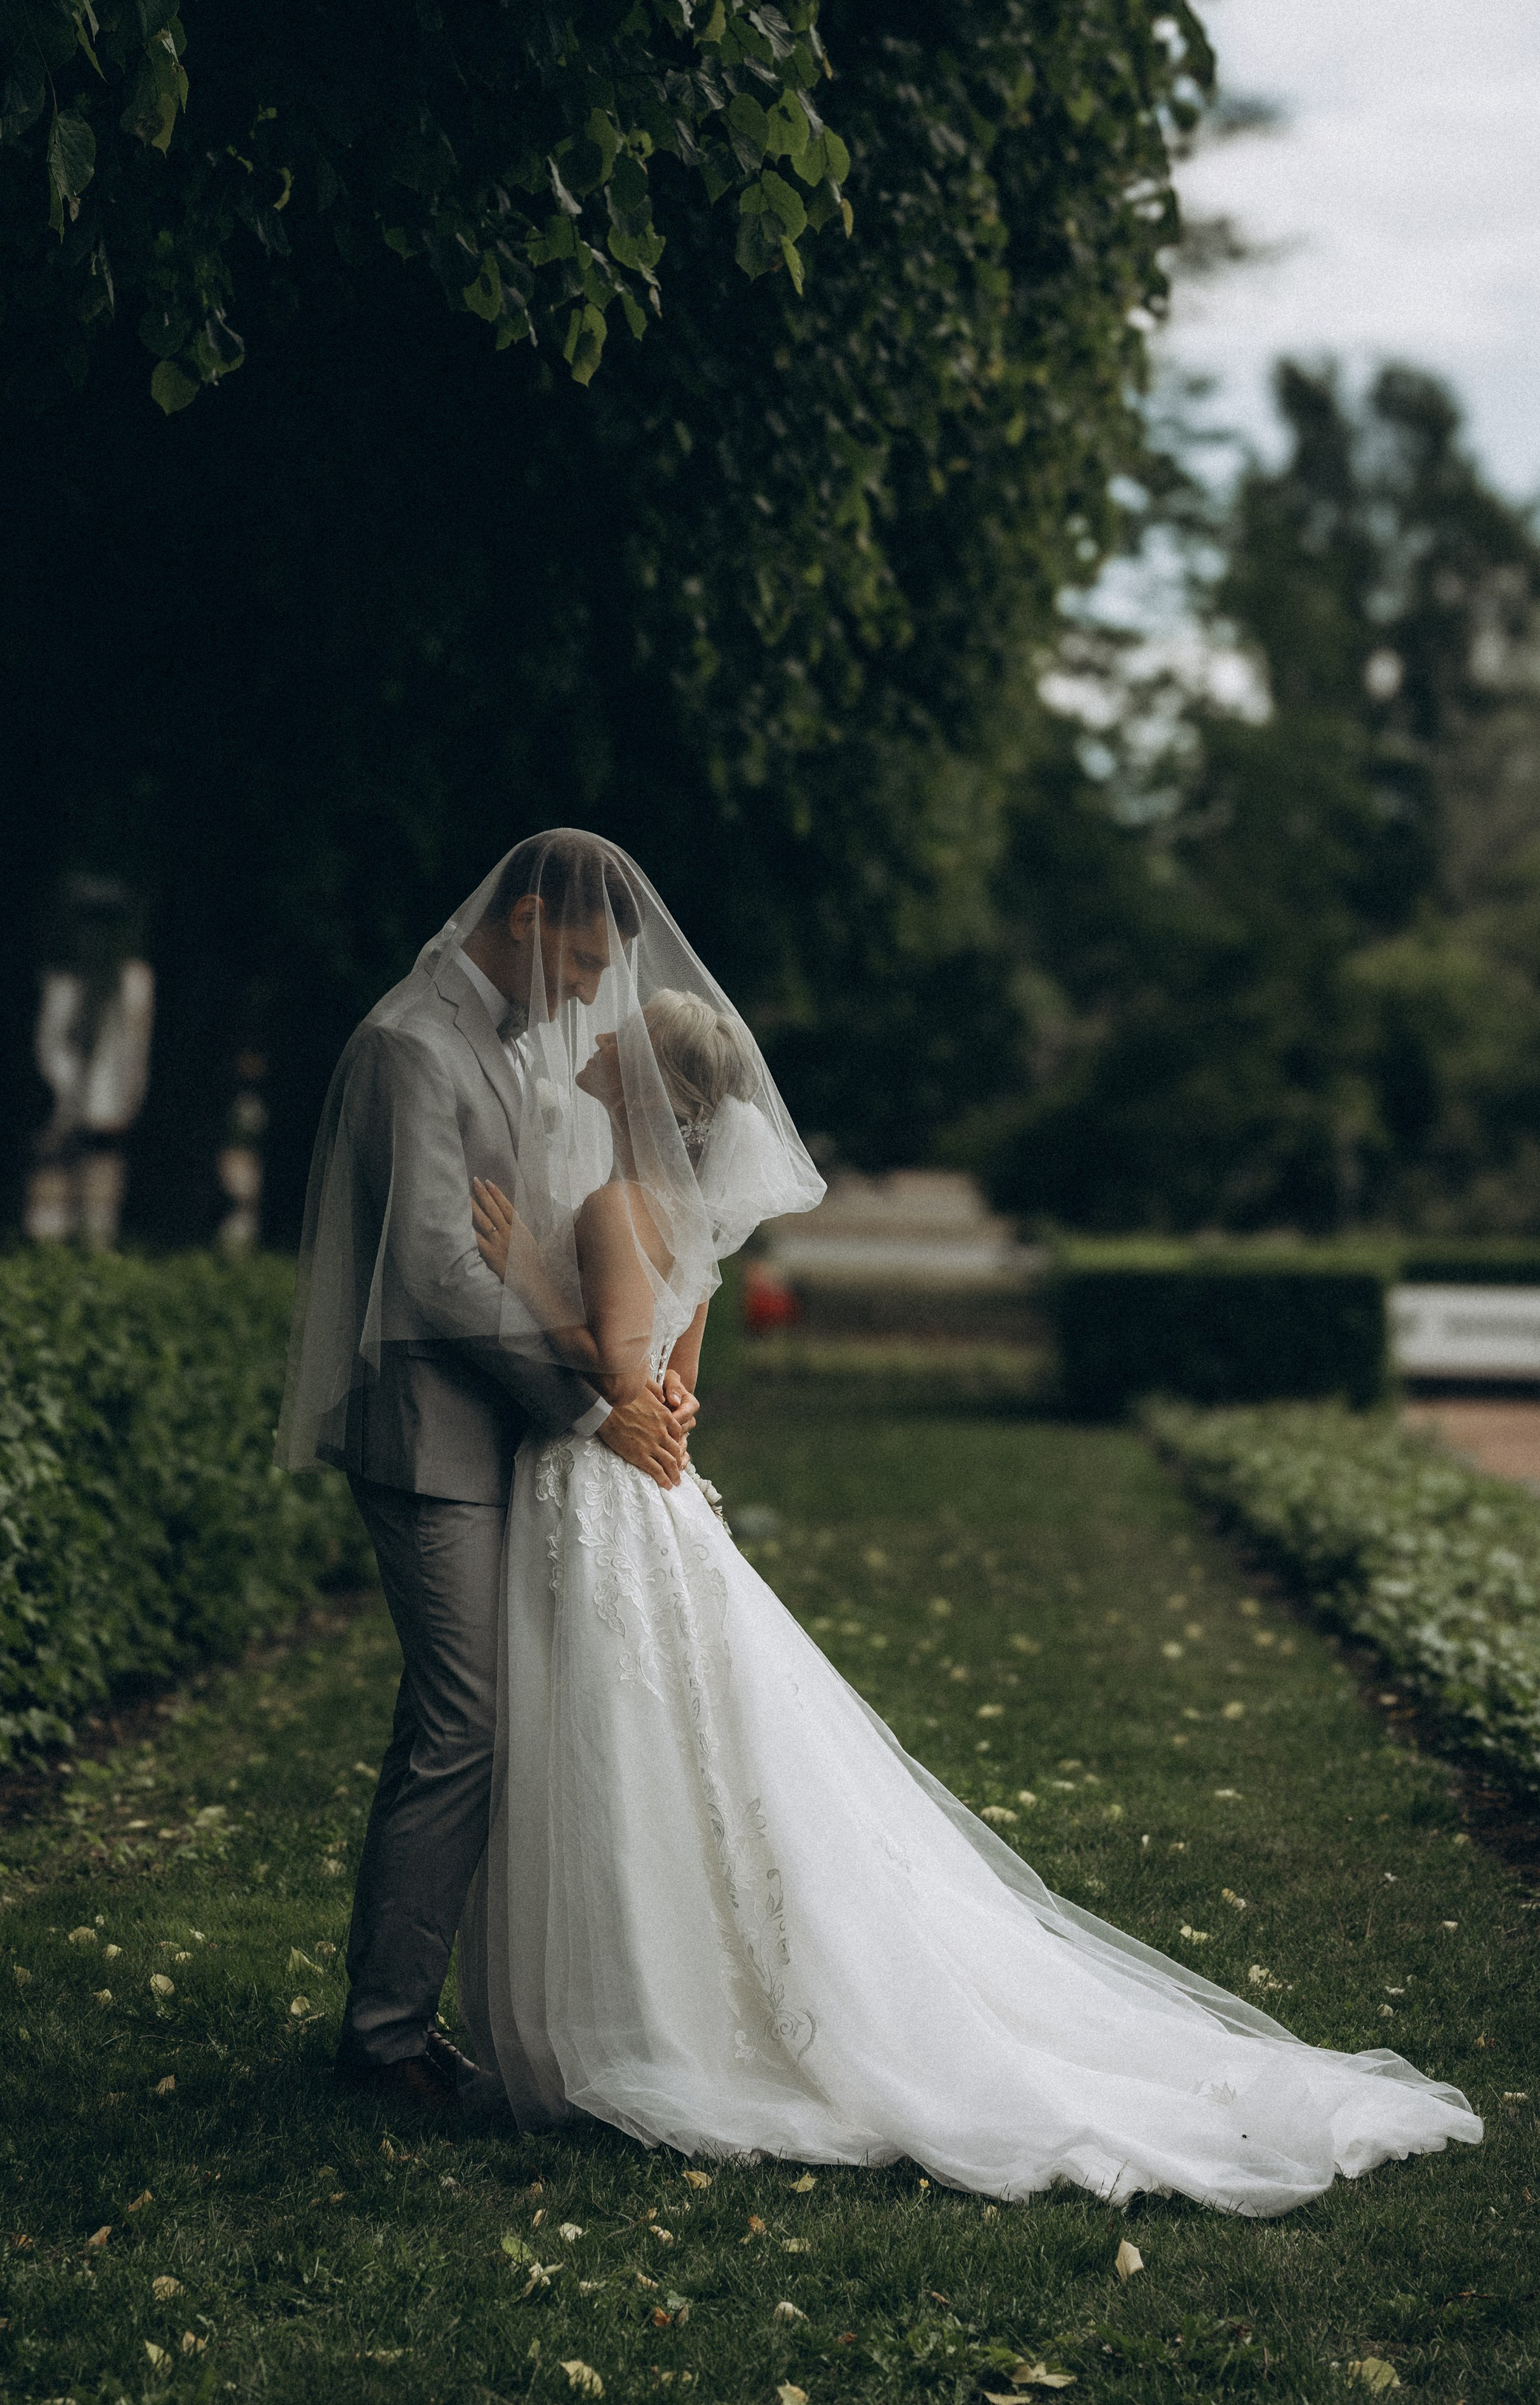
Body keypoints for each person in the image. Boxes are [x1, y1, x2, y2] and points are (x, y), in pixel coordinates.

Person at [450, 834, 1481, 2211]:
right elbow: (684, 1390)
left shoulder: (612, 1204)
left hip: (613, 1495)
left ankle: (650, 2018)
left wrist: (519, 1265)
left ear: (645, 1083)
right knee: (683, 1753)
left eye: (622, 1034)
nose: (603, 1035)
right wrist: (618, 1357)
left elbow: (628, 1387)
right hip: (670, 1499)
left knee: (621, 1745)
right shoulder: (690, 1221)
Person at [279, 833, 707, 2115]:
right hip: (429, 1437)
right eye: (579, 961)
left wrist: (631, 1374)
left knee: (469, 1726)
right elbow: (434, 1275)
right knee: (464, 1726)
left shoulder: (502, 1047)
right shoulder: (410, 1045)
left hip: (500, 1433)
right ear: (524, 917)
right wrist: (591, 1403)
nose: (587, 994)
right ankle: (386, 2042)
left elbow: (535, 1254)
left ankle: (408, 2021)